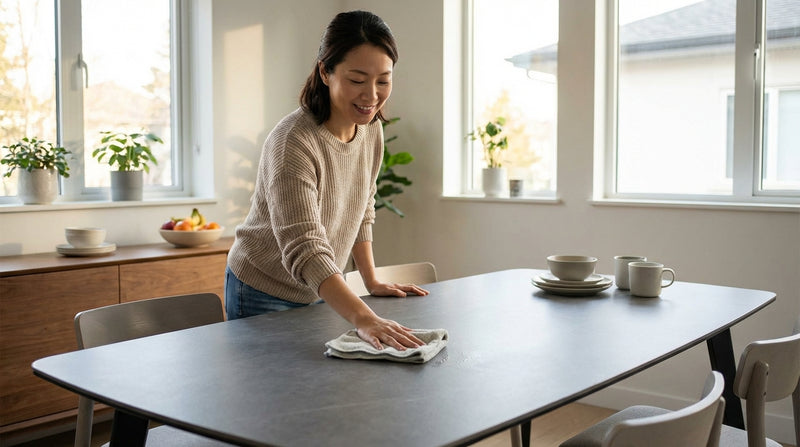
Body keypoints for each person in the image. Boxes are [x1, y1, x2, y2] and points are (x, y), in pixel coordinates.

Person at [225, 10, 427, 351]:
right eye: (357, 80)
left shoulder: (371, 131)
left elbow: (362, 207)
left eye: (383, 81)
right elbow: (305, 248)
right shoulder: (293, 142)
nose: (371, 96)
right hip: (263, 289)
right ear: (324, 72)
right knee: (275, 386)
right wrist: (365, 317)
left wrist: (370, 279)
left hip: (322, 286)